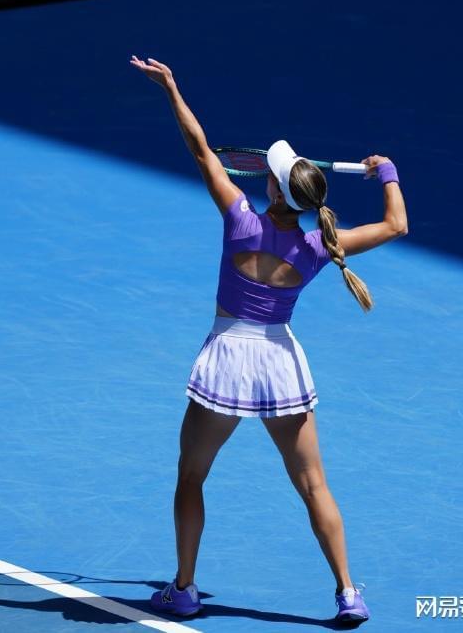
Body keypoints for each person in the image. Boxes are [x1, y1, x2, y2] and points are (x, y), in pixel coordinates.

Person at [129, 55, 408, 624]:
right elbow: (397, 225)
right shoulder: (321, 247)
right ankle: (348, 592)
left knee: (191, 477)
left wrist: (171, 88)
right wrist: (388, 172)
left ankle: (184, 589)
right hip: (281, 363)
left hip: (227, 361)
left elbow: (200, 149)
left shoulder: (240, 219)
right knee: (313, 484)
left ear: (276, 191)